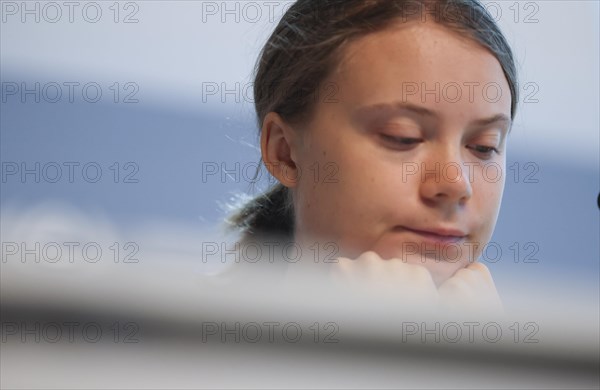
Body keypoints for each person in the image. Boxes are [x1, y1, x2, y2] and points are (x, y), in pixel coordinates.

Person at [224, 0, 517, 311]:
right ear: (285, 153)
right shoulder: (194, 349)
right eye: (402, 137)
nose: (456, 184)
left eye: (484, 146)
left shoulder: (509, 349)